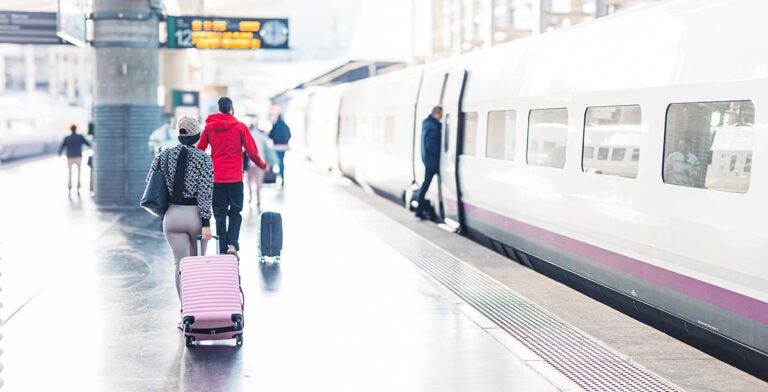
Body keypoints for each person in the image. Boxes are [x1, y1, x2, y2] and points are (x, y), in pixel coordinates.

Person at [144, 116, 213, 303]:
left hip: (172, 215)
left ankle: (184, 312)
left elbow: (150, 182)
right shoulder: (204, 159)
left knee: (180, 265)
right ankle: (197, 310)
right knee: (196, 265)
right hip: (196, 217)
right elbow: (205, 193)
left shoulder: (163, 155)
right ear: (197, 136)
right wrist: (206, 223)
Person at [198, 97, 267, 260]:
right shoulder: (240, 127)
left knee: (220, 214)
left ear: (218, 109)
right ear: (232, 109)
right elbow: (252, 152)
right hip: (235, 178)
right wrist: (262, 165)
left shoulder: (209, 127)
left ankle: (222, 248)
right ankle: (232, 245)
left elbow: (200, 149)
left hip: (216, 178)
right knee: (235, 212)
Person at [415, 106, 443, 220]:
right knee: (426, 184)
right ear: (437, 113)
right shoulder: (433, 125)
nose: (441, 117)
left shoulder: (428, 123)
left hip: (428, 160)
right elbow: (431, 144)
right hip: (433, 161)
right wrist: (441, 155)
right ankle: (419, 210)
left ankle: (419, 209)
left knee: (425, 184)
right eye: (441, 114)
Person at [246, 123, 278, 210]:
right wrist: (270, 163)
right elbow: (268, 150)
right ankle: (258, 198)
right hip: (260, 162)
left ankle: (250, 196)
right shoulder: (262, 136)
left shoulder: (247, 135)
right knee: (258, 182)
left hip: (250, 163)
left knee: (249, 180)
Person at [58, 123, 92, 197]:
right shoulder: (80, 137)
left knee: (70, 173)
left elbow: (62, 146)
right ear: (76, 129)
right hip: (78, 157)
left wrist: (59, 154)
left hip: (70, 157)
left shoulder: (67, 138)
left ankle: (70, 188)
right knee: (79, 174)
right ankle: (78, 188)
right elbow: (88, 144)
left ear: (70, 129)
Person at [268, 114, 291, 186]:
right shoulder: (286, 126)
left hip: (276, 146)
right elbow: (289, 135)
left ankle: (277, 175)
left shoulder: (275, 125)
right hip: (284, 146)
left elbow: (270, 135)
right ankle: (281, 175)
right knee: (281, 161)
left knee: (276, 160)